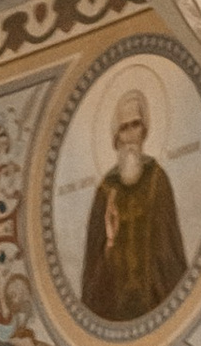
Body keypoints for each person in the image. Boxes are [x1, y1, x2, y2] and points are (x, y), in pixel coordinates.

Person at [79, 90, 189, 321]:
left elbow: (170, 249)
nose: (130, 136)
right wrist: (110, 244)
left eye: (135, 125)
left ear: (144, 130)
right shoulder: (105, 190)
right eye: (124, 128)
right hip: (115, 309)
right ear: (116, 137)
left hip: (156, 301)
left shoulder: (157, 179)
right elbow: (93, 267)